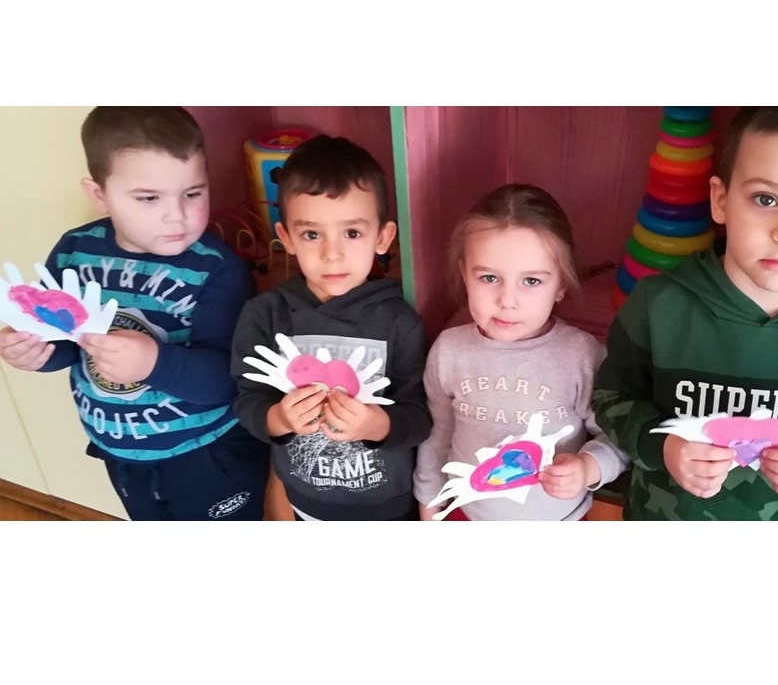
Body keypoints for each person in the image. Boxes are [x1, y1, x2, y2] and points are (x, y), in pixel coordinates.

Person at [592, 107, 778, 521]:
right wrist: (662, 446)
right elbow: (612, 398)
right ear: (721, 200)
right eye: (766, 199)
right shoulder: (656, 304)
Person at [0, 106, 270, 520]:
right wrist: (35, 352)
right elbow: (67, 344)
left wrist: (155, 363)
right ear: (99, 195)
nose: (176, 215)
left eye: (193, 193)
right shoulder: (74, 252)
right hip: (121, 454)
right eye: (148, 198)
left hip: (208, 456)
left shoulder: (216, 270)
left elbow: (234, 379)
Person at [230, 135, 431, 521]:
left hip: (387, 505)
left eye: (352, 233)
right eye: (312, 234)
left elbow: (420, 416)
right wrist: (279, 419)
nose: (332, 254)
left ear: (382, 238)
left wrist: (377, 425)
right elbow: (247, 399)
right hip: (304, 500)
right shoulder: (265, 314)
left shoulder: (399, 321)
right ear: (286, 238)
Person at [414, 183, 629, 521]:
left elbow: (617, 436)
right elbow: (436, 437)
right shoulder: (449, 350)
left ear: (561, 284)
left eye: (531, 281)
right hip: (466, 514)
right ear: (465, 275)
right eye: (489, 278)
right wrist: (429, 506)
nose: (507, 300)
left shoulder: (581, 355)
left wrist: (588, 467)